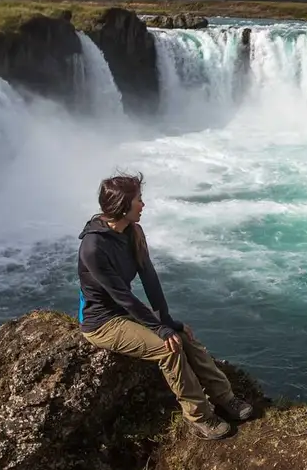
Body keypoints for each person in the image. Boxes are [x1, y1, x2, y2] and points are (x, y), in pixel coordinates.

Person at [77, 173, 254, 441]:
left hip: (124, 313)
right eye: (139, 200)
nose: (143, 205)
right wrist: (160, 330)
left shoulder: (132, 231)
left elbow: (149, 278)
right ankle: (199, 416)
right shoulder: (93, 247)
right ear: (122, 205)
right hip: (102, 322)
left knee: (183, 337)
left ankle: (225, 397)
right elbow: (123, 296)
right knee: (168, 347)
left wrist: (167, 320)